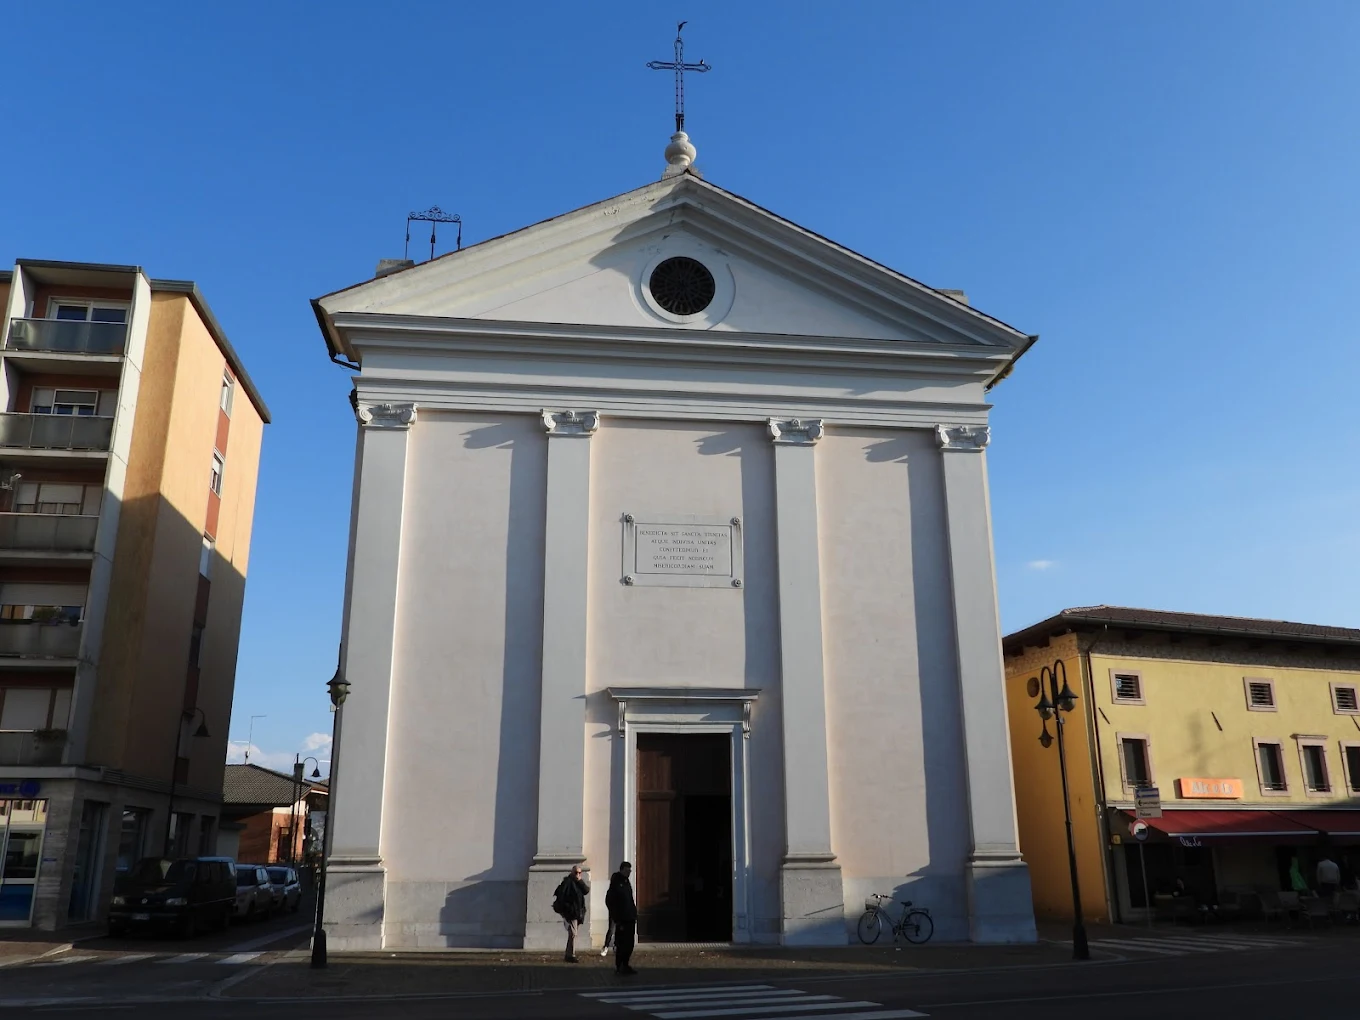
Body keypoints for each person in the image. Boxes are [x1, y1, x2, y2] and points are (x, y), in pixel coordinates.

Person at [605, 861, 638, 975]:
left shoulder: (627, 882)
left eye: (630, 870)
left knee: (630, 944)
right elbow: (610, 901)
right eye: (627, 870)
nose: (629, 872)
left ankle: (626, 964)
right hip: (621, 919)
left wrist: (634, 912)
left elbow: (630, 899)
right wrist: (616, 917)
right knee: (621, 944)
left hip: (630, 917)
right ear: (622, 869)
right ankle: (619, 966)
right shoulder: (616, 882)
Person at [553, 864, 590, 963]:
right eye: (576, 872)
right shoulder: (567, 882)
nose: (577, 874)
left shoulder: (578, 883)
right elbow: (562, 896)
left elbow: (586, 890)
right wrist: (567, 909)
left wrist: (580, 881)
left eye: (579, 873)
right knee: (573, 933)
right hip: (571, 912)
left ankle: (568, 954)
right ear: (572, 872)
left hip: (578, 912)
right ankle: (571, 954)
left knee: (572, 934)